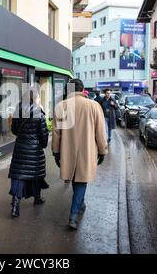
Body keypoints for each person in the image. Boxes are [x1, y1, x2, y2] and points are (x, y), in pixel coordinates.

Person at [52, 79, 108, 230]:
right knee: (81, 180)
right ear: (83, 90)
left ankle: (79, 206)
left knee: (76, 178)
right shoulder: (94, 106)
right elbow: (100, 133)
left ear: (69, 90)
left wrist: (55, 152)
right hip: (87, 151)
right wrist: (103, 151)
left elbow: (56, 133)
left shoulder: (61, 106)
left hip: (67, 151)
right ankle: (73, 215)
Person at [8, 88, 49, 218]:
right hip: (34, 149)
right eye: (37, 97)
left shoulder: (17, 111)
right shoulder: (39, 114)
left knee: (18, 176)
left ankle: (15, 206)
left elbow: (14, 130)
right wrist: (42, 145)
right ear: (34, 98)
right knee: (36, 173)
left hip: (20, 148)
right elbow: (44, 134)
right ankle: (37, 198)